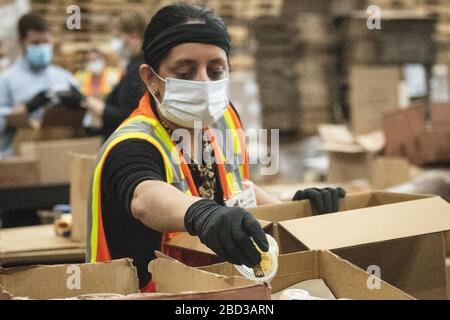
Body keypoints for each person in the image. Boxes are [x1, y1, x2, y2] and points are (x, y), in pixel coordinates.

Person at [87, 3, 346, 292]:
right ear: (151, 79)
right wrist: (202, 214)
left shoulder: (224, 120)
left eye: (215, 71)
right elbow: (146, 198)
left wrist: (293, 208)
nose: (203, 84)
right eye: (185, 73)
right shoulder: (133, 144)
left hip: (219, 289)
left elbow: (238, 191)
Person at [0, 13, 76, 157]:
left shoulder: (65, 78)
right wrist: (26, 108)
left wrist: (77, 104)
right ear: (21, 42)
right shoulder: (6, 80)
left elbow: (85, 121)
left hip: (59, 156)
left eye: (46, 41)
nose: (42, 47)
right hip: (18, 159)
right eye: (35, 43)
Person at [81, 11, 146, 140]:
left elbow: (128, 116)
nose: (115, 43)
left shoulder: (139, 70)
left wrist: (98, 107)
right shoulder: (134, 67)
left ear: (134, 37)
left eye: (118, 36)